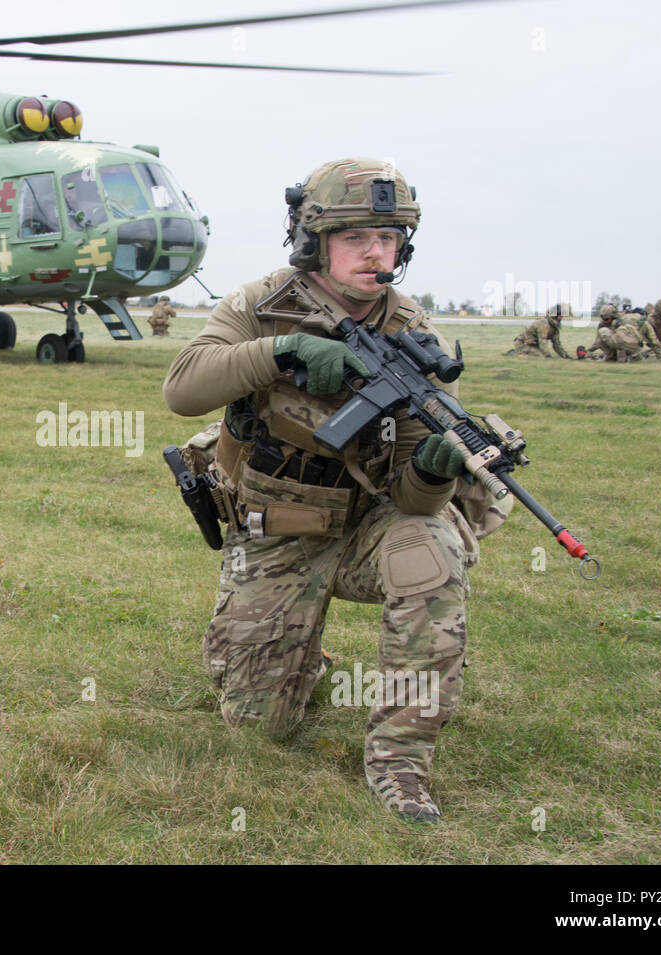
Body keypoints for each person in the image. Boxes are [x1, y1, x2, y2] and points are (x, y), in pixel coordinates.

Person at [163, 157, 509, 823]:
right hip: (278, 527)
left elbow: (412, 501)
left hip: (366, 527)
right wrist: (283, 351)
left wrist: (434, 470)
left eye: (388, 238)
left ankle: (400, 762)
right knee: (258, 726)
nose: (376, 252)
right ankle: (291, 653)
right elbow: (183, 389)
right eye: (356, 238)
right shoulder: (261, 304)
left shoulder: (414, 334)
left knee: (430, 547)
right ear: (315, 241)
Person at [507, 306, 572, 358]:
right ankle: (515, 352)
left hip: (533, 345)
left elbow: (557, 344)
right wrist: (547, 356)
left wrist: (565, 355)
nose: (562, 318)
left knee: (541, 354)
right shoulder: (543, 323)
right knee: (541, 356)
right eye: (560, 316)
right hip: (523, 344)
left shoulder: (554, 327)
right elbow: (542, 341)